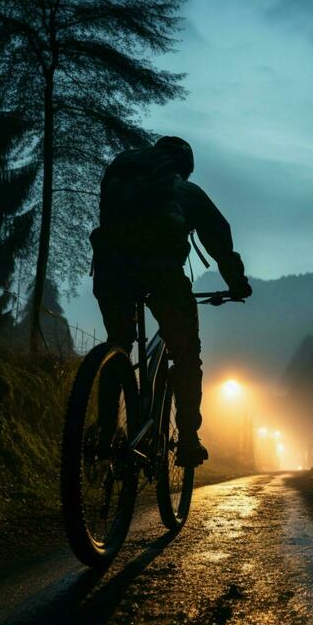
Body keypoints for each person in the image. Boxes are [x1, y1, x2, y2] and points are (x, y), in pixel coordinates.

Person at [91, 136, 252, 467]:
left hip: (110, 269)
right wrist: (237, 284)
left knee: (117, 346)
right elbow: (219, 241)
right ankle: (189, 441)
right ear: (184, 169)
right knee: (187, 356)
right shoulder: (186, 191)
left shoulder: (124, 181)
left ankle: (106, 429)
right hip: (161, 273)